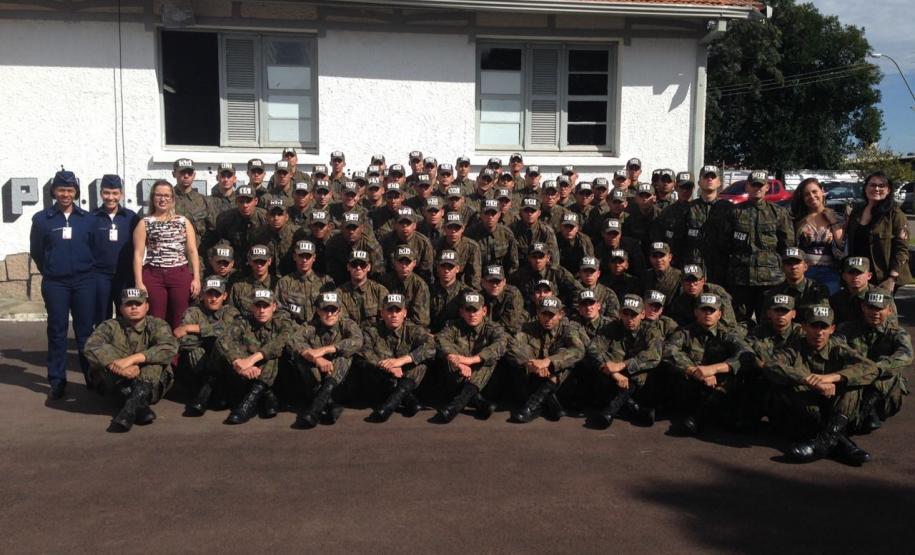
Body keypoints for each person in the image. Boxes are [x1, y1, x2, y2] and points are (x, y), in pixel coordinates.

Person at [763, 305, 878, 465]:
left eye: (824, 327)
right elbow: (771, 365)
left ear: (832, 329)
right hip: (805, 412)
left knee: (853, 384)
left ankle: (824, 442)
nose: (819, 332)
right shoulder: (793, 348)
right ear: (803, 327)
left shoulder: (838, 348)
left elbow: (870, 368)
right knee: (787, 383)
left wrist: (831, 378)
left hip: (835, 409)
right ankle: (841, 444)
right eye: (814, 326)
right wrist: (808, 379)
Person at [30, 170, 96, 399]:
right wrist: (50, 269)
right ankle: (57, 380)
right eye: (61, 190)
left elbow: (94, 248)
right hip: (55, 283)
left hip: (83, 282)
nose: (65, 194)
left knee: (85, 332)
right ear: (54, 192)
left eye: (70, 190)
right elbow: (37, 251)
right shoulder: (41, 220)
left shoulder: (88, 219)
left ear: (76, 192)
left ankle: (92, 377)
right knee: (57, 332)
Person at [84, 288, 178, 433]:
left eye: (138, 303)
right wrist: (114, 364)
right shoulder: (110, 326)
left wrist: (132, 359)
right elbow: (91, 346)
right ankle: (139, 408)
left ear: (146, 306)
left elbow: (170, 346)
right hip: (116, 381)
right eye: (129, 304)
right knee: (102, 359)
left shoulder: (157, 324)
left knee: (156, 364)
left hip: (149, 384)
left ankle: (128, 411)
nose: (134, 307)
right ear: (121, 308)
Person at [663, 293, 754, 435]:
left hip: (720, 385)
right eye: (704, 310)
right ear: (695, 312)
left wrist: (714, 369)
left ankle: (701, 418)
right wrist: (695, 371)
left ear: (720, 314)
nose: (708, 314)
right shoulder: (685, 332)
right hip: (695, 384)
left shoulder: (727, 333)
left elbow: (747, 356)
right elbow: (668, 351)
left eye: (712, 310)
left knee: (734, 380)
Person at [719, 170, 794, 324]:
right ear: (747, 187)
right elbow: (724, 245)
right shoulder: (734, 212)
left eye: (761, 185)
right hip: (740, 279)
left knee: (768, 323)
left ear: (767, 187)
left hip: (770, 281)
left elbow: (787, 245)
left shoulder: (778, 213)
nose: (757, 188)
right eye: (754, 185)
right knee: (739, 324)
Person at [835, 289, 912, 433]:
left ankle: (868, 409)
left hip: (885, 396)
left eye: (880, 308)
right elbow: (838, 347)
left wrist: (876, 368)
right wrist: (866, 369)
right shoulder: (847, 329)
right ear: (863, 307)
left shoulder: (897, 333)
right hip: (855, 383)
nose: (875, 312)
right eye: (871, 307)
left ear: (889, 310)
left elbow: (905, 356)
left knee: (890, 372)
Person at [216, 288, 294, 425]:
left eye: (266, 306)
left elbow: (283, 341)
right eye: (258, 306)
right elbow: (223, 340)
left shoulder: (282, 321)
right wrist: (238, 362)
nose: (262, 310)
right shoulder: (244, 322)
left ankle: (248, 404)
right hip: (246, 375)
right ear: (252, 307)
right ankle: (267, 396)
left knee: (273, 355)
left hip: (279, 380)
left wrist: (251, 360)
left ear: (274, 307)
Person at [586, 294, 663, 428]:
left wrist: (622, 365)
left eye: (633, 314)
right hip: (614, 379)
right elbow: (593, 349)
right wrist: (614, 373)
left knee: (642, 371)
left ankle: (611, 411)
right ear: (620, 314)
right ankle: (635, 409)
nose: (629, 319)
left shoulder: (650, 330)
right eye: (625, 314)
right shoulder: (612, 327)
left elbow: (654, 355)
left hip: (640, 384)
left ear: (643, 314)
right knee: (595, 367)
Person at [506, 296, 586, 424]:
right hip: (534, 375)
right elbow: (511, 346)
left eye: (552, 315)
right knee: (521, 354)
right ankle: (550, 403)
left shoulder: (568, 329)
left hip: (562, 382)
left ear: (560, 314)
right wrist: (529, 364)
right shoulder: (528, 327)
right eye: (544, 314)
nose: (547, 319)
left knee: (566, 361)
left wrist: (548, 362)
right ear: (538, 313)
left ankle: (531, 407)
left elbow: (578, 350)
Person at [290, 291, 363, 429]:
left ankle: (315, 410)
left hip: (341, 382)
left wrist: (327, 349)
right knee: (300, 357)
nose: (329, 314)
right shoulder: (311, 326)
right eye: (325, 309)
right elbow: (294, 342)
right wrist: (315, 358)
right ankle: (328, 403)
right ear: (318, 311)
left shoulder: (347, 324)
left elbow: (357, 341)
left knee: (344, 356)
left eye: (333, 310)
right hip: (316, 382)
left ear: (339, 311)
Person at [132, 180, 200, 330]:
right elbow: (138, 255)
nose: (162, 199)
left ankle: (177, 353)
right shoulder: (145, 223)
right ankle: (158, 352)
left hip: (179, 275)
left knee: (180, 318)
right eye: (158, 195)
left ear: (172, 199)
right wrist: (139, 282)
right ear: (152, 198)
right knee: (156, 320)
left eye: (166, 196)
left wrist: (196, 278)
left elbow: (192, 251)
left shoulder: (183, 222)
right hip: (153, 275)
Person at [362, 294, 436, 422]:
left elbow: (432, 347)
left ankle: (389, 407)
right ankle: (410, 400)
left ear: (405, 313)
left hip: (406, 374)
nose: (394, 315)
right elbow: (365, 351)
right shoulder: (372, 331)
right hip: (383, 378)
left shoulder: (413, 329)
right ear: (382, 313)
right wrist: (387, 366)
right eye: (390, 310)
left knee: (421, 364)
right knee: (365, 364)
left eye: (398, 310)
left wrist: (401, 361)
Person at [435, 292, 507, 423]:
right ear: (461, 312)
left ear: (484, 311)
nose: (472, 314)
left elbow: (501, 344)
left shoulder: (492, 327)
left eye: (476, 310)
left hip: (485, 382)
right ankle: (479, 402)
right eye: (468, 310)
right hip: (457, 376)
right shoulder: (453, 326)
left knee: (490, 360)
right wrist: (458, 362)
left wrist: (472, 360)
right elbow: (440, 339)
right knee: (448, 354)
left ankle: (454, 407)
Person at [174, 276, 239, 417]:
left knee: (222, 345)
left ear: (225, 296)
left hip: (224, 368)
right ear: (202, 294)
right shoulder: (193, 311)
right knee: (195, 351)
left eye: (217, 294)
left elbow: (226, 330)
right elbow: (182, 341)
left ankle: (210, 392)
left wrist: (192, 328)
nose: (213, 298)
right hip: (199, 368)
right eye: (210, 294)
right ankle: (206, 390)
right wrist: (210, 338)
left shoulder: (231, 311)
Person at [844, 171, 912, 291]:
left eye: (881, 186)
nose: (876, 188)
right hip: (858, 274)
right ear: (865, 188)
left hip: (883, 277)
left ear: (888, 190)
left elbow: (901, 249)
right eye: (872, 185)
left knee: (877, 309)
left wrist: (892, 278)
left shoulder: (895, 214)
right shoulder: (856, 212)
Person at [90, 174, 139, 325]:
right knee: (100, 315)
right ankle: (101, 345)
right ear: (100, 193)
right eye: (106, 193)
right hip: (99, 275)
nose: (110, 197)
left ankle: (123, 346)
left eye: (115, 193)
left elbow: (139, 246)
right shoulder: (91, 218)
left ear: (121, 194)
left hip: (125, 276)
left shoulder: (131, 218)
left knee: (125, 314)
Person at [790, 177, 845, 294]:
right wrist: (804, 240)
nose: (811, 196)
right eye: (806, 194)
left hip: (830, 273)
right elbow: (792, 247)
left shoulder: (837, 217)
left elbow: (842, 246)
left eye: (814, 191)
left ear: (822, 191)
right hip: (805, 272)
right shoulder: (797, 221)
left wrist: (833, 222)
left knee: (829, 308)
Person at [275, 240, 335, 326]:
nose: (304, 260)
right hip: (293, 331)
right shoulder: (284, 283)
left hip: (319, 330)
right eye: (301, 256)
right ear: (294, 257)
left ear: (314, 258)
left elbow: (332, 310)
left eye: (308, 256)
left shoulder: (326, 281)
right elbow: (280, 311)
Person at [763, 247, 829, 321]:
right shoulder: (773, 294)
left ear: (805, 266)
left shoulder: (817, 290)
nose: (793, 267)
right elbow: (766, 322)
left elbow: (823, 321)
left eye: (797, 263)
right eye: (789, 264)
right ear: (782, 268)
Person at [829, 256, 897, 326]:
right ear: (844, 276)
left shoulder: (883, 297)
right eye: (851, 273)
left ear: (869, 276)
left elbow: (892, 326)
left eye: (859, 273)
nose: (855, 277)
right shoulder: (836, 299)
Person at [379, 245, 431, 328]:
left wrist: (399, 325)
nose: (404, 266)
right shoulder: (384, 281)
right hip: (386, 326)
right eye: (401, 262)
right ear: (394, 262)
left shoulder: (419, 285)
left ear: (414, 263)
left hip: (411, 329)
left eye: (407, 262)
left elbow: (421, 320)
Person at [480, 265, 526, 336]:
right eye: (491, 281)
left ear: (504, 282)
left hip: (509, 332)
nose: (494, 285)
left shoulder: (513, 294)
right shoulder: (479, 296)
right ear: (483, 282)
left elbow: (508, 323)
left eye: (497, 282)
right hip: (485, 332)